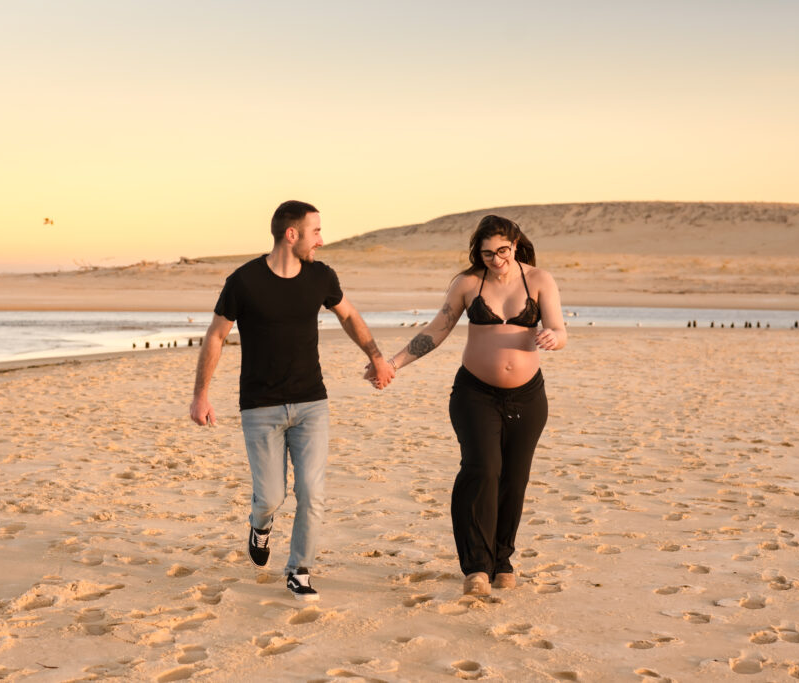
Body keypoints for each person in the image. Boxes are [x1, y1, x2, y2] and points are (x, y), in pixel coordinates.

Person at [191, 200, 394, 602]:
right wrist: (201, 394)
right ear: (291, 234)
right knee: (270, 497)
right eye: (315, 231)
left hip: (311, 404)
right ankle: (259, 525)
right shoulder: (244, 281)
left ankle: (299, 569)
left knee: (312, 492)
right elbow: (216, 335)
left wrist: (376, 356)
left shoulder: (321, 276)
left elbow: (349, 315)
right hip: (260, 406)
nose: (321, 240)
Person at [371, 215, 566, 596]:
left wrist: (551, 337)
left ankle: (502, 560)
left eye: (503, 251)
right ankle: (476, 567)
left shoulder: (540, 280)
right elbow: (436, 330)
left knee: (515, 477)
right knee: (482, 470)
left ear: (515, 243)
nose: (496, 260)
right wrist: (392, 364)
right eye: (487, 253)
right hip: (475, 394)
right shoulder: (467, 283)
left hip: (528, 396)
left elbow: (560, 330)